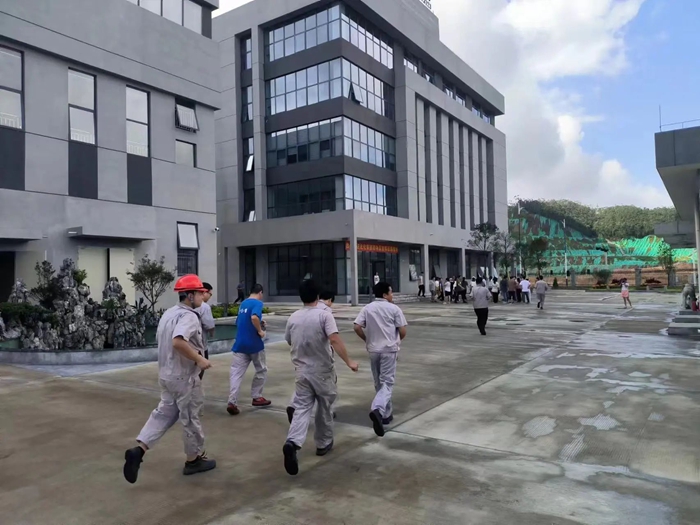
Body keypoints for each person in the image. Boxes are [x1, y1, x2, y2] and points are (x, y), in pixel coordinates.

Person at [123, 274, 215, 484]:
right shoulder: (189, 316)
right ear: (190, 295)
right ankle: (193, 460)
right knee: (190, 418)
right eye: (199, 293)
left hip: (166, 375)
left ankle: (139, 449)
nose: (202, 296)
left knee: (164, 413)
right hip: (184, 377)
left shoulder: (168, 314)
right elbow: (178, 341)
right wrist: (199, 359)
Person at [282, 281, 359, 475]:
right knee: (324, 407)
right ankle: (323, 443)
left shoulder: (293, 317)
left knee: (301, 408)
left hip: (301, 371)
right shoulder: (324, 315)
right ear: (318, 296)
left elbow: (289, 340)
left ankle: (293, 442)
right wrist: (349, 361)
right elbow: (334, 339)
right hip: (322, 371)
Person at [353, 282, 408, 437]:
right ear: (384, 295)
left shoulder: (367, 308)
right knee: (387, 383)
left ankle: (385, 415)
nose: (392, 295)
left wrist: (367, 340)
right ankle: (378, 409)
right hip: (389, 350)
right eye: (391, 292)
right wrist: (396, 341)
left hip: (373, 350)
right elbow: (403, 330)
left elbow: (357, 326)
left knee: (379, 382)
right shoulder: (394, 309)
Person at [287, 289, 339, 423]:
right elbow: (332, 336)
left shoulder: (298, 313)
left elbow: (289, 339)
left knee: (303, 385)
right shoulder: (326, 312)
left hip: (301, 353)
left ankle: (293, 404)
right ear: (329, 300)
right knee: (327, 386)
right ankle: (328, 412)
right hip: (320, 355)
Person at [227, 284, 271, 415]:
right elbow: (254, 317)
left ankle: (232, 401)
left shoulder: (243, 304)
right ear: (260, 292)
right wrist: (260, 330)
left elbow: (240, 322)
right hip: (254, 344)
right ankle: (257, 397)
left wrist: (260, 323)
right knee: (261, 369)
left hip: (240, 343)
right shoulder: (257, 303)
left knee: (236, 373)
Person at [195, 282, 215, 380]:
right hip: (200, 345)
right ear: (204, 292)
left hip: (187, 345)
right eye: (210, 294)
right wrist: (212, 334)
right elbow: (209, 325)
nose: (210, 297)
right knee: (199, 371)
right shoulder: (204, 307)